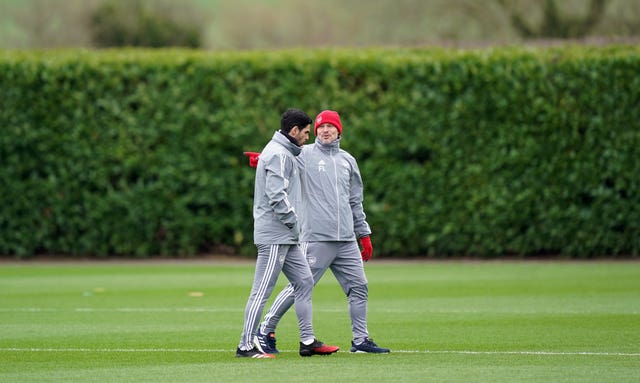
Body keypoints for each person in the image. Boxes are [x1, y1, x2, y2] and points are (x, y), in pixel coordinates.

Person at [247, 110, 390, 355]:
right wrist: (262, 158)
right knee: (299, 286)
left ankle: (360, 341)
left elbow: (355, 200)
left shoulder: (348, 160)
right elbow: (280, 160)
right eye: (321, 127)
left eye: (330, 127)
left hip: (346, 240)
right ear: (315, 131)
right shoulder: (304, 153)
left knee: (359, 287)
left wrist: (363, 234)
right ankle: (266, 328)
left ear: (339, 131)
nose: (325, 131)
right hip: (315, 237)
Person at [236, 108, 339, 359]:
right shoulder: (279, 154)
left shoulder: (281, 152)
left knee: (304, 281)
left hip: (286, 236)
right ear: (294, 131)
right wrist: (294, 223)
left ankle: (307, 341)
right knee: (261, 291)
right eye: (305, 132)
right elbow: (276, 196)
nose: (307, 137)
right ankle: (245, 346)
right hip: (276, 235)